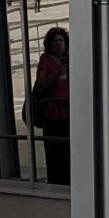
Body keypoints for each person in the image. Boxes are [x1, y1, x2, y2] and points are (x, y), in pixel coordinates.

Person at [31, 26, 71, 184]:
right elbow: (40, 86)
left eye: (61, 40)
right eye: (55, 41)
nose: (59, 44)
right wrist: (56, 73)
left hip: (69, 113)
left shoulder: (69, 59)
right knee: (55, 152)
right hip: (53, 113)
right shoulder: (46, 60)